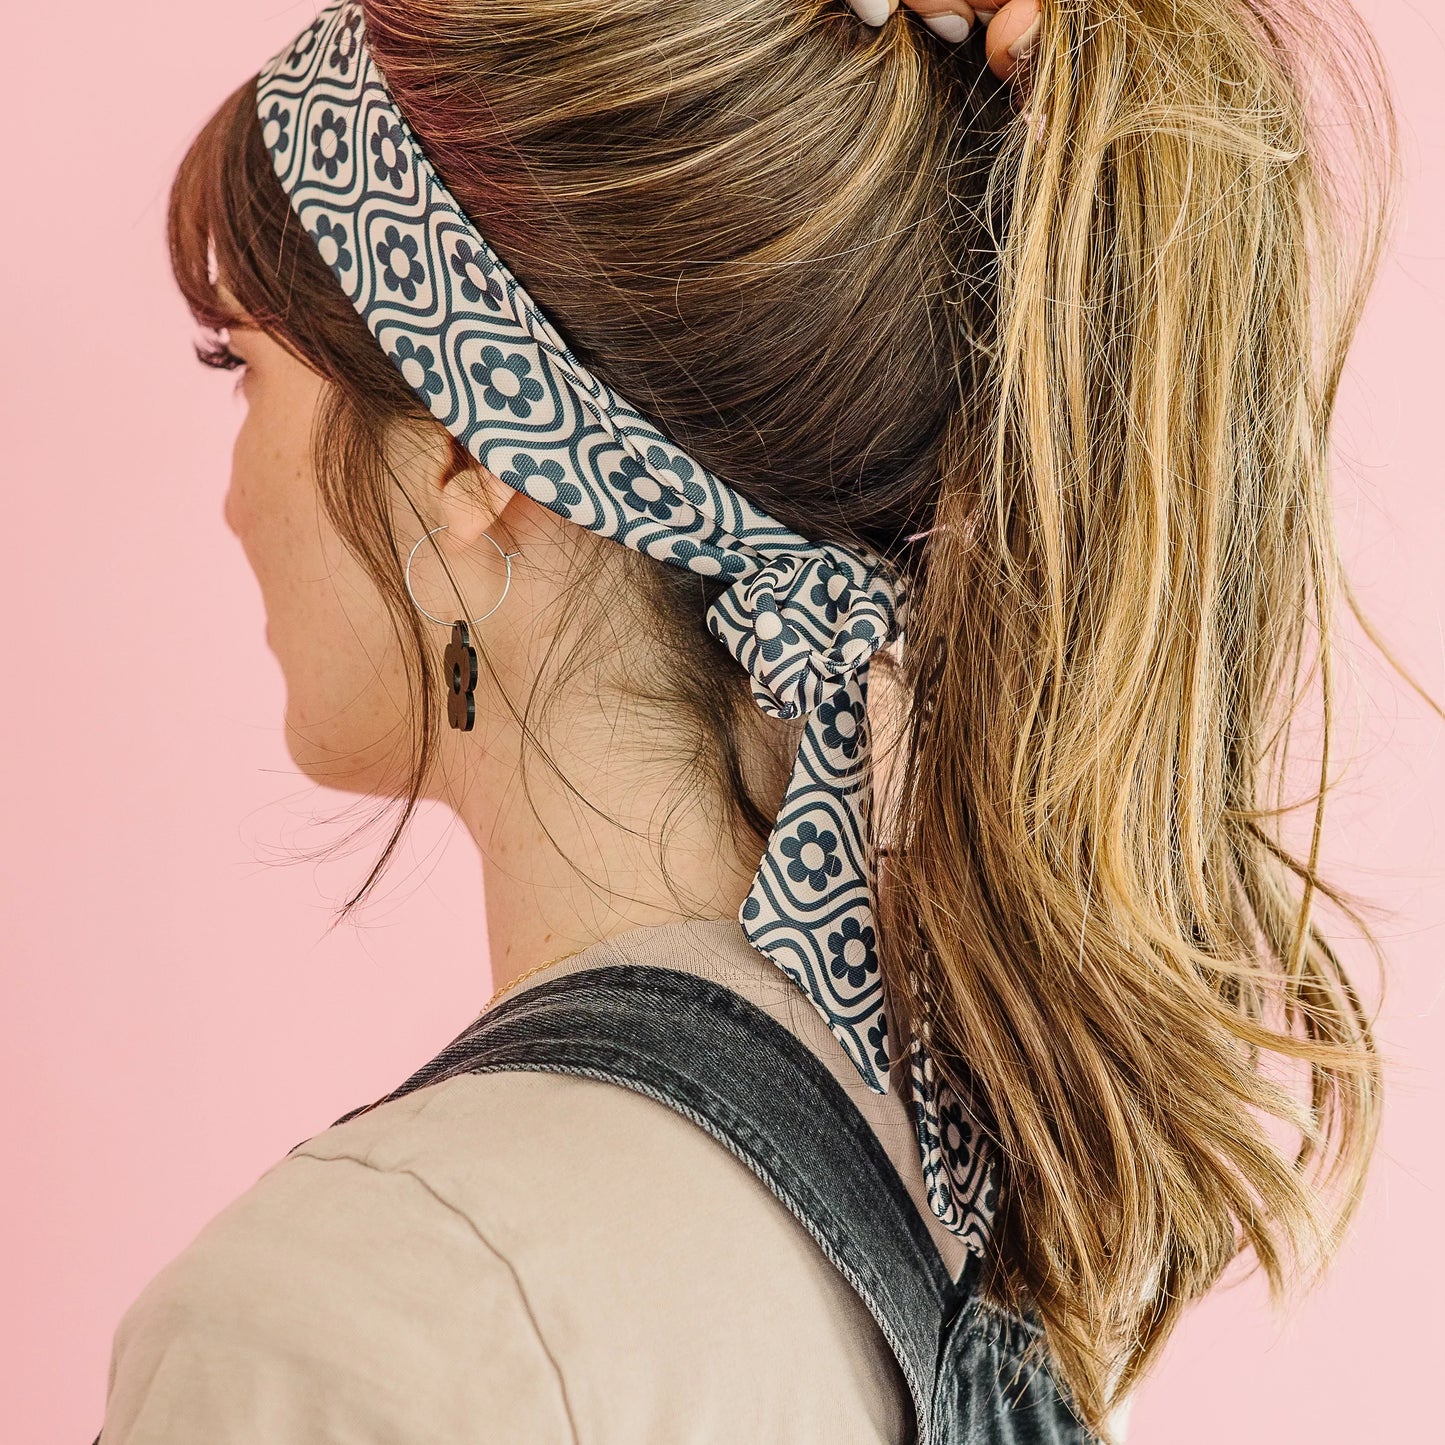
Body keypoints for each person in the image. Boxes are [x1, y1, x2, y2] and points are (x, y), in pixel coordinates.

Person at [97, 0, 1401, 1440]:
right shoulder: (948, 1188)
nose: (228, 495)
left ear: (474, 454)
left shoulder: (359, 1322)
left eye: (246, 369)